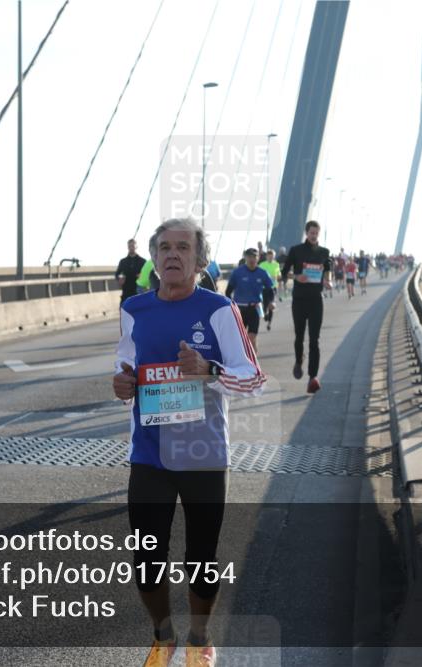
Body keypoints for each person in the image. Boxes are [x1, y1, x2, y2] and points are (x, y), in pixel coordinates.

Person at [114, 217, 265, 667]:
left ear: (200, 260)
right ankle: (163, 637)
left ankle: (199, 638)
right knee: (146, 557)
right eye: (164, 247)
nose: (172, 254)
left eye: (183, 247)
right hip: (150, 454)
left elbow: (253, 378)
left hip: (203, 454)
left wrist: (209, 370)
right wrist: (123, 384)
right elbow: (126, 364)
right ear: (154, 259)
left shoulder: (219, 309)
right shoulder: (133, 309)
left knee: (201, 557)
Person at [281, 220, 331, 394]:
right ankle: (298, 361)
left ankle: (313, 377)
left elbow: (327, 269)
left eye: (316, 233)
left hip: (316, 300)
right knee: (299, 336)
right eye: (311, 233)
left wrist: (328, 280)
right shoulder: (296, 250)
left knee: (315, 340)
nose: (314, 236)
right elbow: (284, 272)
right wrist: (296, 276)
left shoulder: (324, 252)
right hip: (300, 300)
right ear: (306, 233)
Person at [225, 248, 276, 352]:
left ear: (258, 258)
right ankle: (241, 361)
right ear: (245, 257)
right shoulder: (237, 272)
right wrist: (230, 306)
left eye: (254, 256)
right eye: (249, 256)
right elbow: (228, 292)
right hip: (239, 309)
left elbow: (270, 290)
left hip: (254, 308)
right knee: (239, 339)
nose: (252, 259)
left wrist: (271, 301)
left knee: (251, 337)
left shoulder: (262, 273)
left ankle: (253, 365)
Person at [116, 239, 147, 304]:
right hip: (126, 294)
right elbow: (118, 274)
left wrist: (142, 276)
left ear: (136, 247)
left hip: (139, 294)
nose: (131, 247)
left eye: (133, 245)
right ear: (127, 247)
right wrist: (120, 277)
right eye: (129, 246)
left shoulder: (143, 261)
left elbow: (148, 276)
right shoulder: (123, 262)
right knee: (123, 312)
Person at [258, 249, 281, 331]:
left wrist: (277, 277)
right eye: (269, 256)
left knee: (271, 306)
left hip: (273, 288)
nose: (270, 258)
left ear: (274, 256)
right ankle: (265, 313)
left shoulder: (276, 264)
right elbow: (258, 275)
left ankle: (269, 324)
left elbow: (278, 275)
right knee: (265, 305)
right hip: (264, 288)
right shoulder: (262, 265)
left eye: (272, 257)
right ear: (266, 256)